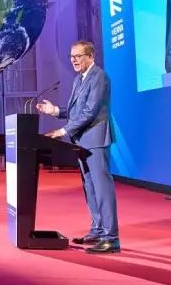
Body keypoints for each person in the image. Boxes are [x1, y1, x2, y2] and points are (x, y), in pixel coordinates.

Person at [36, 40, 120, 254]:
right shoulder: (78, 80)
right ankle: (98, 229)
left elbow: (90, 112)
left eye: (78, 56)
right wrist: (55, 111)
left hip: (96, 140)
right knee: (90, 188)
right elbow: (76, 112)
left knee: (102, 188)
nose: (74, 60)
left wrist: (63, 131)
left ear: (90, 56)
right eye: (72, 56)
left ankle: (111, 237)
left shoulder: (99, 77)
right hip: (82, 141)